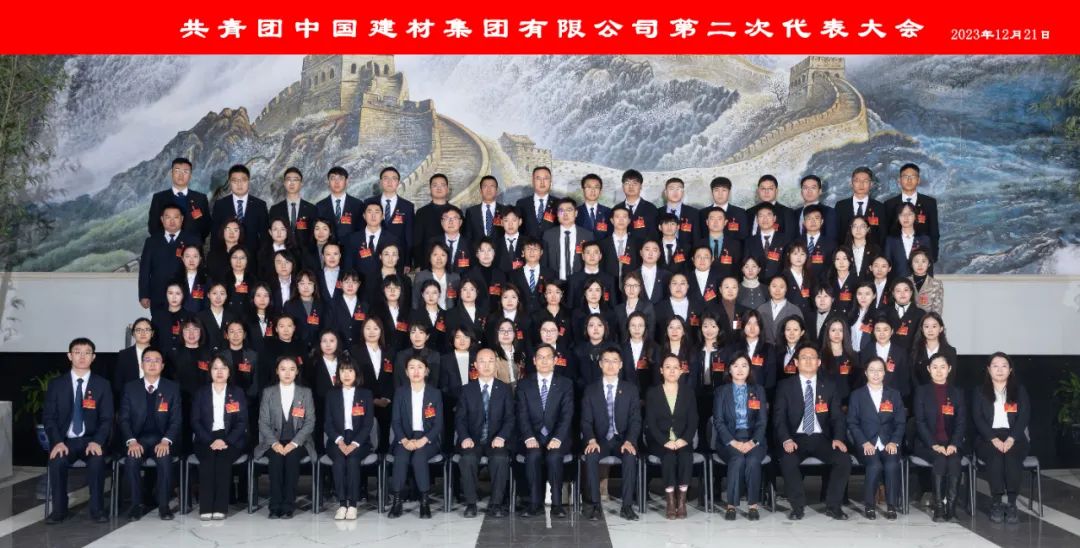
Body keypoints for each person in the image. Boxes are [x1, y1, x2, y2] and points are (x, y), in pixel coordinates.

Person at [773, 344, 851, 521]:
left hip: (821, 438)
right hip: (796, 438)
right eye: (804, 357)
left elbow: (837, 417)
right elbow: (779, 418)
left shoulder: (829, 386)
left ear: (819, 362)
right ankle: (797, 507)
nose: (808, 361)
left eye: (812, 357)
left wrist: (838, 438)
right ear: (796, 362)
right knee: (787, 460)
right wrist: (786, 439)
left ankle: (833, 506)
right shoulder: (785, 386)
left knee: (843, 460)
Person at [44, 338, 114, 524]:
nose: (82, 357)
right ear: (69, 356)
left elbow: (107, 419)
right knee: (57, 461)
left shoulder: (102, 385)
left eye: (87, 353)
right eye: (77, 352)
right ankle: (59, 511)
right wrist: (57, 442)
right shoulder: (56, 384)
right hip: (65, 441)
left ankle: (97, 510)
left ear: (93, 357)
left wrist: (97, 441)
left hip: (91, 439)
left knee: (97, 461)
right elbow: (49, 418)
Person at [119, 347, 181, 520]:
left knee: (165, 459)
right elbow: (123, 419)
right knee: (132, 460)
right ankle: (135, 505)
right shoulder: (130, 388)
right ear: (141, 365)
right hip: (138, 439)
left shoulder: (172, 388)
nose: (152, 364)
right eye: (148, 360)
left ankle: (164, 506)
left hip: (162, 438)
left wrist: (166, 440)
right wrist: (131, 441)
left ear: (162, 365)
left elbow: (176, 420)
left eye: (156, 361)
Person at [580, 346, 641, 521]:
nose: (611, 365)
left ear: (620, 365)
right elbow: (585, 421)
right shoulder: (591, 390)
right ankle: (595, 505)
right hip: (600, 440)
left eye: (615, 361)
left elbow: (635, 420)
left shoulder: (630, 389)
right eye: (606, 361)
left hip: (622, 439)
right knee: (591, 456)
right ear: (600, 364)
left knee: (630, 456)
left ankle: (627, 506)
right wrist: (591, 440)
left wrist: (630, 440)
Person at [455, 348, 515, 518]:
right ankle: (471, 503)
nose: (487, 365)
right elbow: (460, 419)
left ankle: (496, 504)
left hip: (496, 440)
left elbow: (510, 418)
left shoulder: (504, 389)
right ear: (475, 365)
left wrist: (502, 436)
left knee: (500, 458)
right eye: (482, 361)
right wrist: (465, 437)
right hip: (473, 440)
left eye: (490, 361)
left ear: (496, 364)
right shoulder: (467, 390)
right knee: (467, 458)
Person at [517, 344, 574, 518]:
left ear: (555, 360)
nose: (544, 361)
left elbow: (567, 415)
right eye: (540, 357)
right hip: (532, 436)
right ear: (534, 361)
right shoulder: (524, 384)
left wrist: (557, 438)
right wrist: (528, 437)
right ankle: (534, 503)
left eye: (548, 357)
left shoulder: (565, 384)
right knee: (533, 456)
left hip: (557, 436)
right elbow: (521, 414)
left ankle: (557, 503)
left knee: (554, 457)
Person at [256, 356, 317, 519]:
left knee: (291, 460)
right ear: (277, 371)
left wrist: (294, 443)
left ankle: (288, 505)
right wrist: (275, 443)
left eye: (292, 369)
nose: (287, 373)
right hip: (273, 441)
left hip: (299, 442)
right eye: (283, 369)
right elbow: (263, 422)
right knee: (276, 461)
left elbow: (310, 422)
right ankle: (275, 505)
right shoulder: (268, 392)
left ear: (297, 372)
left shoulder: (305, 393)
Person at [973, 352, 1031, 524]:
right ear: (988, 369)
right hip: (988, 437)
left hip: (1015, 436)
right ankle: (997, 502)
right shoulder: (979, 391)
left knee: (1012, 456)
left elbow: (1024, 417)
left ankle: (1012, 503)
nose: (1000, 370)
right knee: (996, 456)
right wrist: (993, 439)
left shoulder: (1019, 391)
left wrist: (1012, 439)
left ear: (1010, 370)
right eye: (995, 366)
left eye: (1004, 366)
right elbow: (977, 418)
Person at [847, 357, 905, 520]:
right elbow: (852, 423)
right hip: (866, 443)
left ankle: (891, 505)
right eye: (872, 370)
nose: (876, 374)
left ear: (885, 373)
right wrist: (864, 442)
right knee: (875, 465)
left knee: (892, 464)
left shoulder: (894, 394)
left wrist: (894, 441)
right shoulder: (857, 395)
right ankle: (869, 505)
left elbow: (900, 422)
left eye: (880, 370)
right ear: (866, 373)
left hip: (888, 442)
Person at [191, 355, 248, 520]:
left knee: (223, 461)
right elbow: (195, 421)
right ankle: (206, 507)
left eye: (223, 368)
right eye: (215, 368)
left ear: (229, 372)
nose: (219, 371)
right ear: (210, 371)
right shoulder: (201, 393)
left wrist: (226, 441)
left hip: (230, 438)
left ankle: (220, 508)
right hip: (205, 437)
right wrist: (210, 440)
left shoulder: (237, 392)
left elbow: (242, 422)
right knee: (207, 461)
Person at [713, 354, 767, 521]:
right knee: (737, 459)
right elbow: (718, 421)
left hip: (754, 439)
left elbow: (762, 421)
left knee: (752, 460)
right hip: (729, 439)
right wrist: (733, 442)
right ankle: (731, 506)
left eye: (744, 365)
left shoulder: (758, 390)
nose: (740, 369)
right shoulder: (721, 391)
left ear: (749, 369)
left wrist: (753, 441)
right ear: (729, 369)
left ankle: (753, 506)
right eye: (735, 365)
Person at [388, 356, 444, 519]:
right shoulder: (400, 392)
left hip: (427, 439)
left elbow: (438, 424)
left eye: (420, 367)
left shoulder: (435, 393)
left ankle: (424, 502)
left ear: (426, 371)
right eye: (412, 367)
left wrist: (423, 440)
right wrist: (404, 440)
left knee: (419, 457)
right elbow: (396, 421)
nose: (416, 371)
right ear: (406, 372)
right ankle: (397, 501)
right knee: (401, 457)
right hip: (404, 438)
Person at [913, 353, 966, 522]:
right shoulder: (921, 391)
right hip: (926, 443)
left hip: (951, 443)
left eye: (942, 367)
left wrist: (954, 444)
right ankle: (939, 508)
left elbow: (961, 422)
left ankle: (951, 508)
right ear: (929, 369)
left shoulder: (957, 393)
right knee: (940, 460)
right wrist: (933, 444)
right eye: (934, 367)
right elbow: (920, 422)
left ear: (949, 369)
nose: (939, 371)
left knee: (954, 461)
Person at [645, 354, 698, 520]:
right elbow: (651, 422)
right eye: (668, 367)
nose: (672, 371)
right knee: (668, 457)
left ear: (681, 371)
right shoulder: (653, 393)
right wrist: (665, 441)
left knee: (685, 456)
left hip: (682, 439)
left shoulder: (688, 392)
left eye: (676, 367)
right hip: (660, 441)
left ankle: (681, 501)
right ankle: (670, 501)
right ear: (661, 370)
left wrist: (685, 439)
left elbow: (693, 420)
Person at [323, 356, 374, 520]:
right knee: (339, 461)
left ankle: (352, 504)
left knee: (352, 460)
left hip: (360, 440)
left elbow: (368, 424)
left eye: (350, 371)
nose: (346, 374)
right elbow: (328, 423)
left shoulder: (365, 394)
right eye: (343, 371)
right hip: (336, 439)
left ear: (356, 374)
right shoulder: (331, 395)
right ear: (338, 374)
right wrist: (339, 441)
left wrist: (354, 443)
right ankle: (341, 504)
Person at [139, 204, 200, 310]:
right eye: (168, 217)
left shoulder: (192, 240)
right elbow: (145, 270)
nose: (172, 221)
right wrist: (144, 294)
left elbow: (200, 268)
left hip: (185, 296)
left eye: (176, 217)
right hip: (158, 296)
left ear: (182, 219)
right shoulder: (151, 242)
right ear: (162, 219)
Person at [884, 163, 940, 262]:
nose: (909, 180)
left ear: (918, 180)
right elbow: (886, 233)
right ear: (899, 180)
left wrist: (932, 257)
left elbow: (934, 232)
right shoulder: (889, 204)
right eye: (905, 176)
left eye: (913, 176)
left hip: (922, 258)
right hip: (896, 258)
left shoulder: (929, 203)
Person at [148, 157, 212, 240]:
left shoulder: (201, 198)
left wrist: (195, 242)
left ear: (190, 175)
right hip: (166, 246)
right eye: (177, 171)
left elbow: (206, 226)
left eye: (185, 171)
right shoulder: (158, 198)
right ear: (171, 173)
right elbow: (153, 227)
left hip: (193, 246)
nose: (181, 175)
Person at [211, 164, 269, 252]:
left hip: (252, 256)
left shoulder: (260, 205)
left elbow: (265, 236)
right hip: (226, 255)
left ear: (248, 181)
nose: (239, 184)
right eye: (235, 181)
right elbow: (215, 235)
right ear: (230, 183)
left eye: (243, 180)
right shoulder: (220, 205)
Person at [860, 317, 913, 404]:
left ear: (892, 331)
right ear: (873, 332)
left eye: (885, 330)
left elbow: (904, 379)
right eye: (878, 330)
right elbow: (862, 378)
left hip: (894, 399)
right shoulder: (866, 351)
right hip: (870, 398)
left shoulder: (901, 352)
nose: (882, 333)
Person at [371, 166, 416, 262]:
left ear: (398, 182)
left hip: (398, 258)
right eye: (386, 178)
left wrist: (407, 261)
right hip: (373, 257)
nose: (390, 182)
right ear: (381, 182)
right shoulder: (368, 203)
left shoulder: (407, 206)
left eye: (394, 179)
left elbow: (409, 236)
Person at [835, 167, 887, 245]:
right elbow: (836, 233)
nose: (861, 184)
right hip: (845, 250)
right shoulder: (841, 206)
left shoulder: (879, 207)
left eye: (865, 181)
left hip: (872, 250)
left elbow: (883, 235)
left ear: (871, 184)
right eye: (857, 181)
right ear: (851, 183)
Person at [544, 197, 593, 282]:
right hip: (555, 284)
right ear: (557, 214)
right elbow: (544, 263)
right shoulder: (548, 235)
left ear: (576, 213)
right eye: (561, 211)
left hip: (580, 283)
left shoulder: (587, 235)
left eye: (569, 210)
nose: (565, 214)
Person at [269, 167, 317, 250]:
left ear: (301, 183)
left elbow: (314, 235)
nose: (291, 183)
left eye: (295, 180)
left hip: (306, 254)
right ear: (284, 183)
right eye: (288, 180)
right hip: (283, 253)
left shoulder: (311, 209)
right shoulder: (275, 209)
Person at [884, 202, 933, 279]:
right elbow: (887, 265)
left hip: (919, 283)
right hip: (897, 284)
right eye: (902, 214)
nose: (906, 218)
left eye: (909, 214)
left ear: (915, 216)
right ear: (898, 217)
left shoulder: (924, 239)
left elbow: (929, 265)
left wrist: (929, 284)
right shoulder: (891, 240)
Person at [315, 166, 364, 242]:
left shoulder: (358, 204)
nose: (336, 182)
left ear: (346, 181)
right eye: (333, 178)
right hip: (327, 248)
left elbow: (361, 231)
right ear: (328, 182)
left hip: (351, 247)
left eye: (340, 178)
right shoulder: (320, 206)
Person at [412, 173, 453, 266]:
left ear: (447, 189)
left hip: (451, 262)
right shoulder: (421, 212)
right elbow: (417, 242)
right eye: (435, 185)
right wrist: (418, 264)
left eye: (442, 185)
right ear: (430, 189)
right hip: (427, 262)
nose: (439, 188)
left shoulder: (456, 212)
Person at [744, 203, 791, 281]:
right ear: (757, 219)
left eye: (768, 215)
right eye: (761, 216)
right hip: (756, 284)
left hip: (779, 284)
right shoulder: (749, 241)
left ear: (774, 218)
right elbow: (746, 264)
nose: (765, 219)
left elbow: (788, 264)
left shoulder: (785, 239)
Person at [695, 206, 743, 280]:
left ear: (725, 222)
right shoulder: (698, 244)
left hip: (727, 285)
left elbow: (738, 270)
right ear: (707, 222)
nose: (715, 222)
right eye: (712, 218)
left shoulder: (735, 245)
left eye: (719, 219)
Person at [911, 312, 958, 386]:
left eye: (934, 326)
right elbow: (912, 378)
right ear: (922, 329)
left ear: (941, 329)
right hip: (920, 391)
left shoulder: (950, 351)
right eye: (926, 326)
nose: (930, 330)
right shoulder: (915, 350)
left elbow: (951, 378)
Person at [113, 318, 154, 399]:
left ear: (152, 333)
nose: (143, 333)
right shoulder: (124, 355)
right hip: (131, 399)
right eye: (138, 330)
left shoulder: (160, 353)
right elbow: (118, 383)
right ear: (133, 334)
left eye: (147, 329)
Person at [598, 205, 641, 282]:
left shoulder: (637, 244)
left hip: (631, 286)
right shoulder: (602, 244)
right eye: (617, 217)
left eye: (624, 217)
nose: (621, 220)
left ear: (629, 221)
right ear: (612, 220)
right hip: (608, 285)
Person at [756, 275, 803, 346]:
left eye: (781, 287)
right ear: (769, 288)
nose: (777, 290)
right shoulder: (761, 309)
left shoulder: (795, 310)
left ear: (786, 289)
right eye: (774, 286)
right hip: (764, 349)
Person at [615, 169, 658, 239]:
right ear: (623, 186)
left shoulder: (651, 209)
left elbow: (654, 235)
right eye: (627, 183)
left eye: (635, 183)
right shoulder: (616, 209)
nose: (631, 186)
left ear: (641, 186)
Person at [703, 176, 749, 241]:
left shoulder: (740, 213)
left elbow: (744, 237)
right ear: (712, 192)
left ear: (729, 192)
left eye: (724, 190)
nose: (720, 194)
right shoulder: (703, 213)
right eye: (716, 190)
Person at [793, 175, 838, 242]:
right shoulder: (794, 213)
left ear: (820, 191)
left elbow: (831, 239)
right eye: (805, 188)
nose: (809, 191)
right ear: (801, 192)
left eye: (813, 188)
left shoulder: (829, 212)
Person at [465, 175, 508, 242]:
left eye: (492, 186)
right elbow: (468, 237)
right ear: (480, 190)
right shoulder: (471, 212)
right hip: (477, 248)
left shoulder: (505, 210)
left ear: (496, 190)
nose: (488, 190)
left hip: (499, 248)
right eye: (485, 186)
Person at [886, 278, 925, 350]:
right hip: (889, 354)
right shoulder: (884, 312)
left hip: (912, 354)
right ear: (893, 293)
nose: (902, 294)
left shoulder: (920, 314)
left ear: (911, 292)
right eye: (898, 291)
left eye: (906, 290)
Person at [659, 177, 699, 243]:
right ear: (665, 192)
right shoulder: (658, 212)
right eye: (671, 189)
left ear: (683, 192)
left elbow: (696, 238)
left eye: (678, 189)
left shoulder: (693, 213)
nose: (675, 192)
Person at [577, 173, 613, 239]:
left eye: (596, 187)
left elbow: (611, 236)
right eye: (589, 187)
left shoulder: (609, 212)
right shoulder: (575, 212)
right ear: (583, 190)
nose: (592, 190)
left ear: (600, 191)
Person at [635, 239, 671, 305]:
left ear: (659, 254)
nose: (650, 253)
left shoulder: (667, 275)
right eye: (647, 249)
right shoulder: (633, 275)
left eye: (654, 250)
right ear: (641, 253)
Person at [175, 245, 209, 314]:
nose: (191, 260)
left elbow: (208, 305)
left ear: (200, 259)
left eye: (195, 256)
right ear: (182, 259)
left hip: (199, 319)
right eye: (187, 256)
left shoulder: (207, 280)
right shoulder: (175, 279)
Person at [909, 249, 944, 315]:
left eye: (923, 261)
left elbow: (937, 311)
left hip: (928, 320)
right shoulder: (905, 282)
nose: (920, 265)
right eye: (916, 261)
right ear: (911, 264)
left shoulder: (936, 284)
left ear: (929, 264)